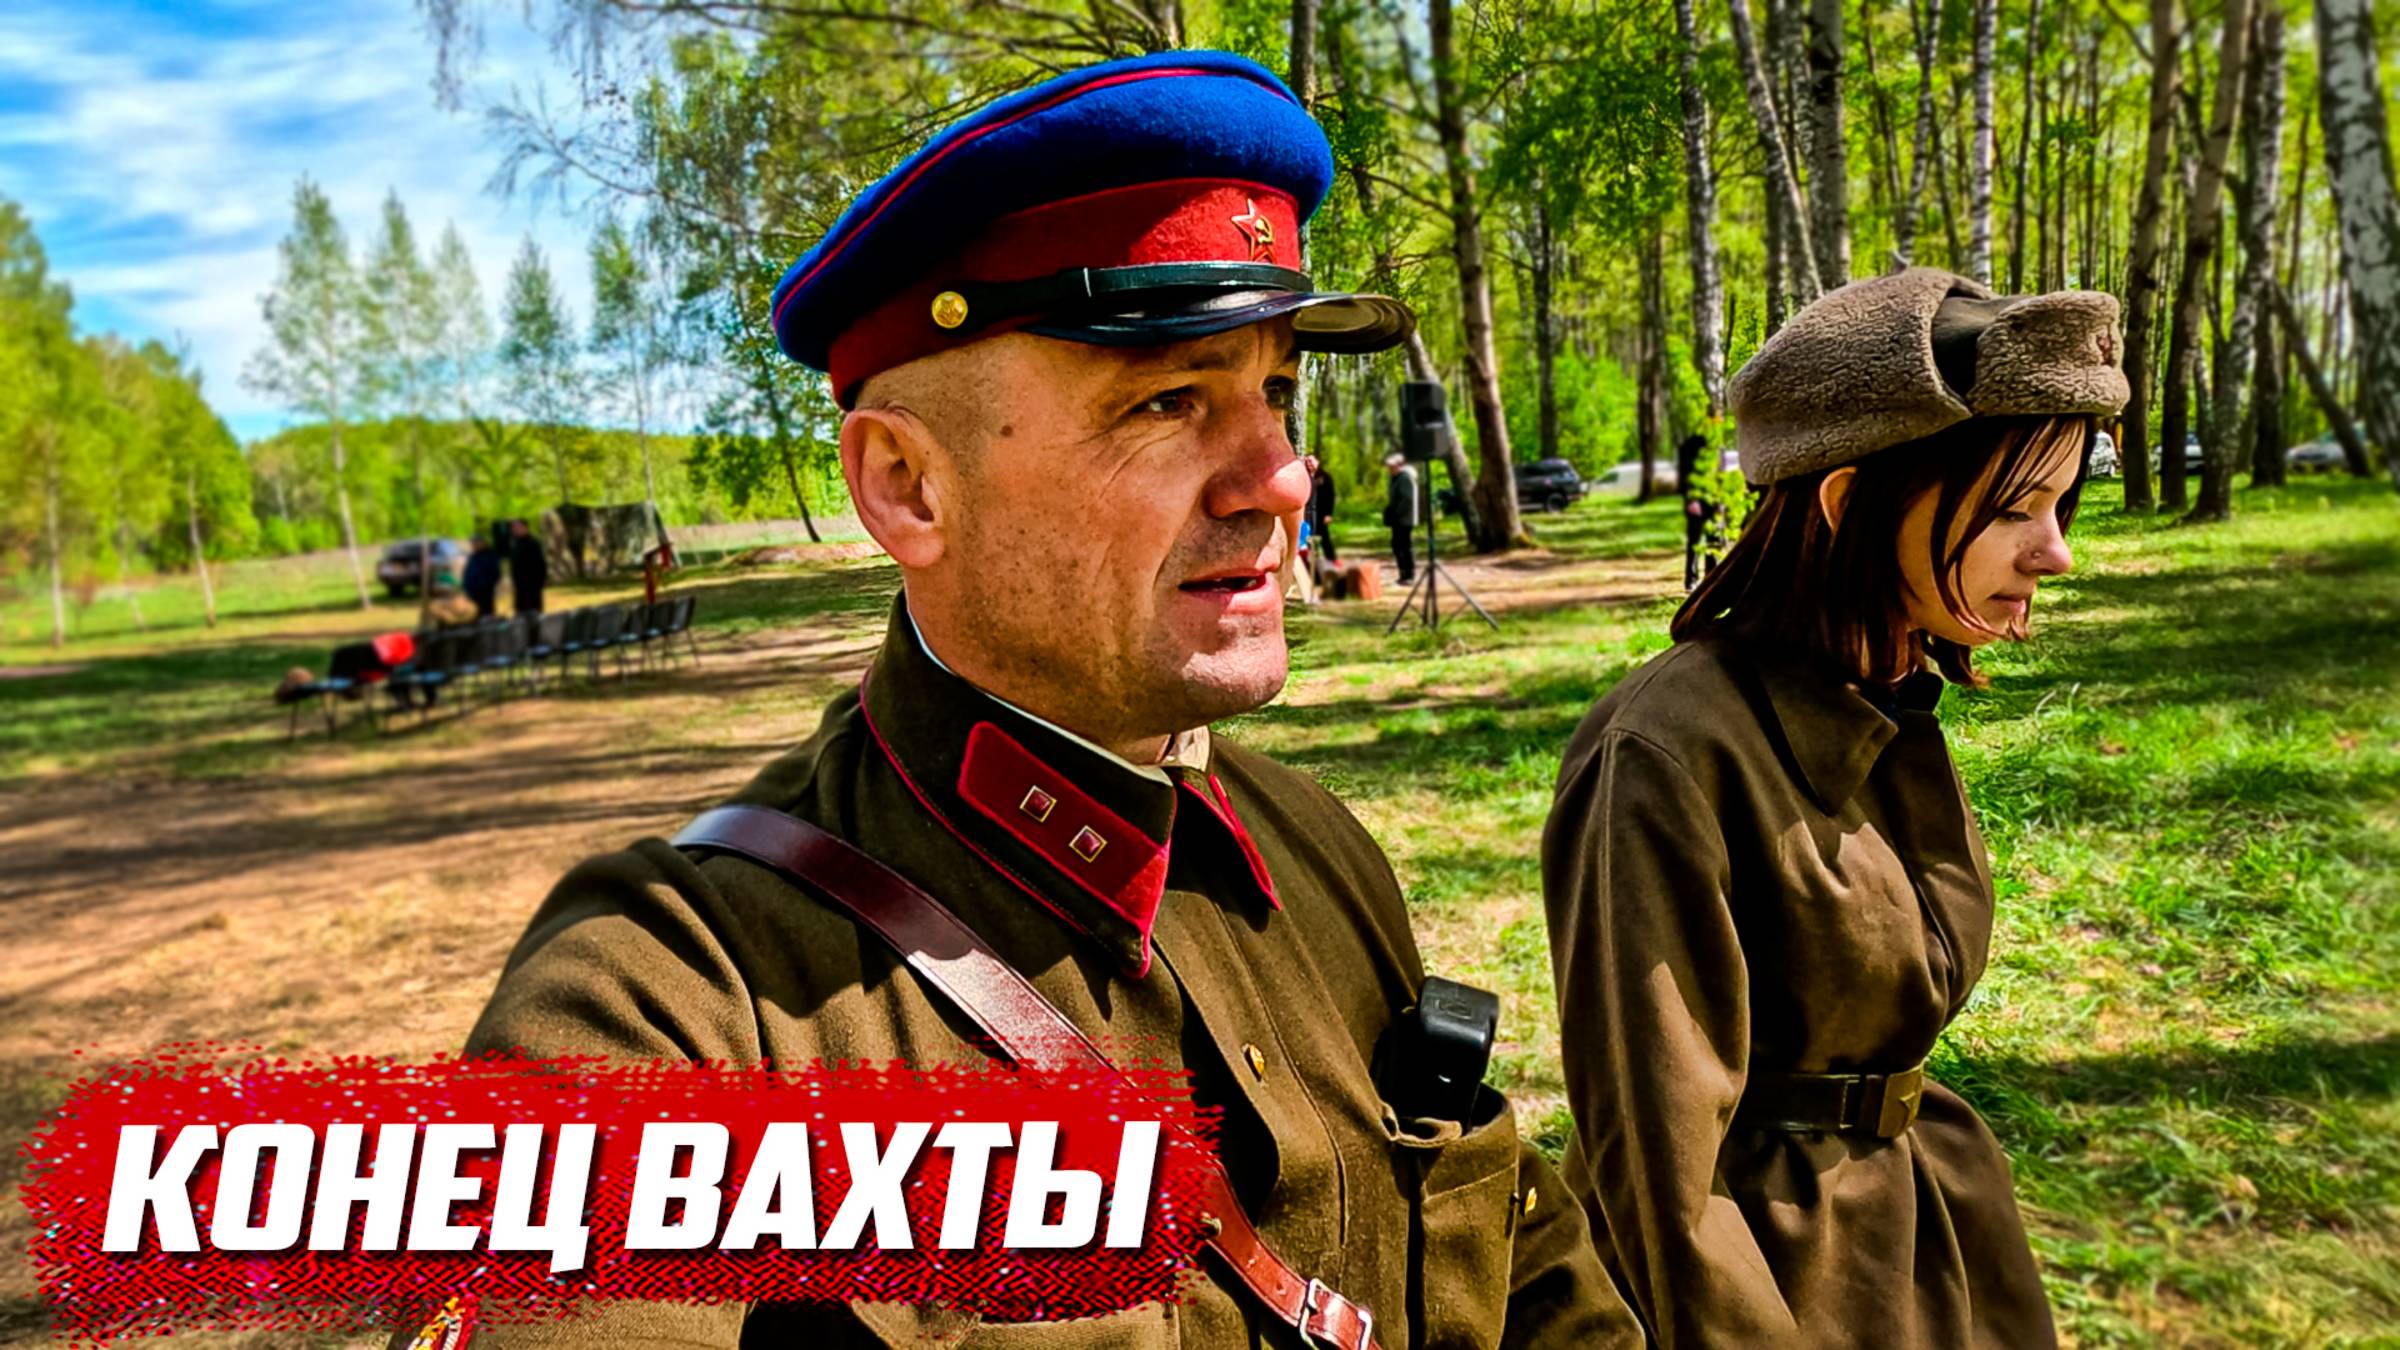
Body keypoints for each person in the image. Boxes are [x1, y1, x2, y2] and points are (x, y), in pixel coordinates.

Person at [429, 52, 1638, 1348]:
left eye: (1277, 393)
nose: (1282, 476)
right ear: (907, 486)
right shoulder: (678, 1006)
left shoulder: (1317, 852)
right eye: (1168, 399)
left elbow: (1538, 1279)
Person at [1541, 268, 2127, 1349]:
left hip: (1921, 1231)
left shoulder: (1886, 698)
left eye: (2058, 505)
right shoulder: (1669, 751)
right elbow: (1657, 1163)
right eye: (2013, 508)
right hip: (1766, 1276)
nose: (2056, 552)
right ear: (1849, 504)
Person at [1382, 452, 1418, 584]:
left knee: (1405, 546)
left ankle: (1409, 575)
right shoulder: (1395, 478)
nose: (1390, 468)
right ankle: (1403, 574)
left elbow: (1407, 499)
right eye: (1389, 466)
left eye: (1392, 466)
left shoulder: (1405, 478)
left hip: (1404, 519)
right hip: (1398, 519)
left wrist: (1396, 513)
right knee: (1397, 546)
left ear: (1400, 465)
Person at [507, 518, 546, 617]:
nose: (515, 530)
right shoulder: (515, 544)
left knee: (533, 613)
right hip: (520, 586)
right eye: (513, 528)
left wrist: (539, 582)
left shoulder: (533, 543)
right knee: (521, 613)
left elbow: (540, 565)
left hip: (532, 586)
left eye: (517, 527)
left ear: (525, 527)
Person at [462, 536, 502, 619]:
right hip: (472, 590)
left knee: (486, 613)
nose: (473, 546)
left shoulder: (490, 556)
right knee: (474, 613)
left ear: (482, 543)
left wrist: (484, 584)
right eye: (472, 544)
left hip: (484, 590)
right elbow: (468, 572)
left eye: (475, 543)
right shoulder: (473, 556)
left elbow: (495, 573)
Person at [1308, 456, 1340, 563]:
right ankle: (1312, 564)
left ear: (1317, 462)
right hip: (1309, 514)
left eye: (1311, 461)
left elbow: (1331, 496)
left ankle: (1333, 560)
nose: (1309, 464)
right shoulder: (1306, 477)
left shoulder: (1325, 477)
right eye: (1307, 461)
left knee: (1324, 538)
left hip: (1322, 513)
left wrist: (1328, 514)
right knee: (1309, 539)